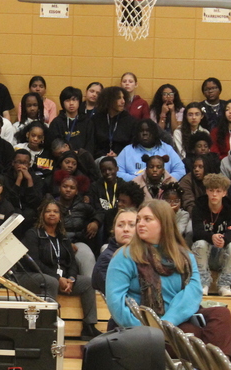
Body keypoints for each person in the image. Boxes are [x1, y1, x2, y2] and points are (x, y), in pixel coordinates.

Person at [12, 198, 100, 339]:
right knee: (51, 282)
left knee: (88, 283)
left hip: (60, 279)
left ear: (60, 216)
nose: (52, 214)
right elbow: (34, 263)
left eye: (55, 212)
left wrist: (71, 278)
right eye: (48, 211)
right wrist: (58, 278)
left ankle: (89, 327)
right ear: (42, 215)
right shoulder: (33, 234)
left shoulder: (63, 237)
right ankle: (49, 327)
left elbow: (71, 263)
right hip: (31, 276)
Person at [191, 173, 231, 296]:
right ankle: (203, 284)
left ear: (224, 193)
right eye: (211, 190)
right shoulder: (198, 208)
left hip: (222, 253)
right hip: (204, 253)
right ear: (206, 191)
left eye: (218, 191)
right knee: (199, 243)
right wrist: (211, 237)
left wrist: (224, 239)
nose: (214, 194)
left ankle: (224, 285)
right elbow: (196, 232)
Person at [116, 118, 185, 182]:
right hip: (135, 188)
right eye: (141, 131)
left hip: (163, 188)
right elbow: (117, 172)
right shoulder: (127, 150)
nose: (145, 133)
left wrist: (164, 180)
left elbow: (180, 170)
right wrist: (138, 180)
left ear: (155, 133)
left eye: (148, 131)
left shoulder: (167, 149)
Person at [92, 207, 137, 296]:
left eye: (132, 225)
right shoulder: (107, 259)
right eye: (120, 225)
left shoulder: (146, 254)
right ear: (114, 229)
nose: (126, 229)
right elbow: (116, 295)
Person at [84, 86, 136, 159]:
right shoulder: (96, 119)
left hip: (123, 158)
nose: (123, 101)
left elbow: (132, 145)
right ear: (109, 100)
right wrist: (103, 155)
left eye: (123, 98)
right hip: (100, 158)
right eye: (118, 98)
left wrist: (118, 154)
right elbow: (92, 144)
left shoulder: (130, 121)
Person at [48, 86, 85, 150]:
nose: (71, 103)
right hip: (63, 157)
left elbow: (90, 145)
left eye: (74, 100)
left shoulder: (86, 122)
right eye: (67, 100)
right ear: (62, 103)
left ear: (79, 102)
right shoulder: (56, 122)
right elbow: (54, 144)